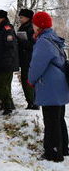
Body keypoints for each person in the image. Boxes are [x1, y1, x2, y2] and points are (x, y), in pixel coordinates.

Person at [28, 12, 69, 162]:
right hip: (59, 85)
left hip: (50, 86)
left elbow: (37, 65)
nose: (32, 27)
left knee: (51, 121)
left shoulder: (43, 41)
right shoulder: (53, 38)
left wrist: (31, 80)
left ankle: (53, 154)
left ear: (39, 26)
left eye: (34, 24)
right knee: (58, 119)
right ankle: (63, 148)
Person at [0, 10, 19, 115]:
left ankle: (8, 107)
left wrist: (7, 62)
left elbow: (10, 48)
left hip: (5, 63)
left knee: (4, 86)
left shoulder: (7, 29)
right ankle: (5, 104)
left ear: (1, 18)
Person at [17, 8, 38, 110]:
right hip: (24, 58)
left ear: (27, 17)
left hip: (29, 58)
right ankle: (30, 102)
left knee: (28, 81)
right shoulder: (23, 27)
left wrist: (22, 41)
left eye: (21, 17)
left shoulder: (32, 28)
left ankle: (33, 103)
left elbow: (34, 44)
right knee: (25, 81)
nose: (20, 19)